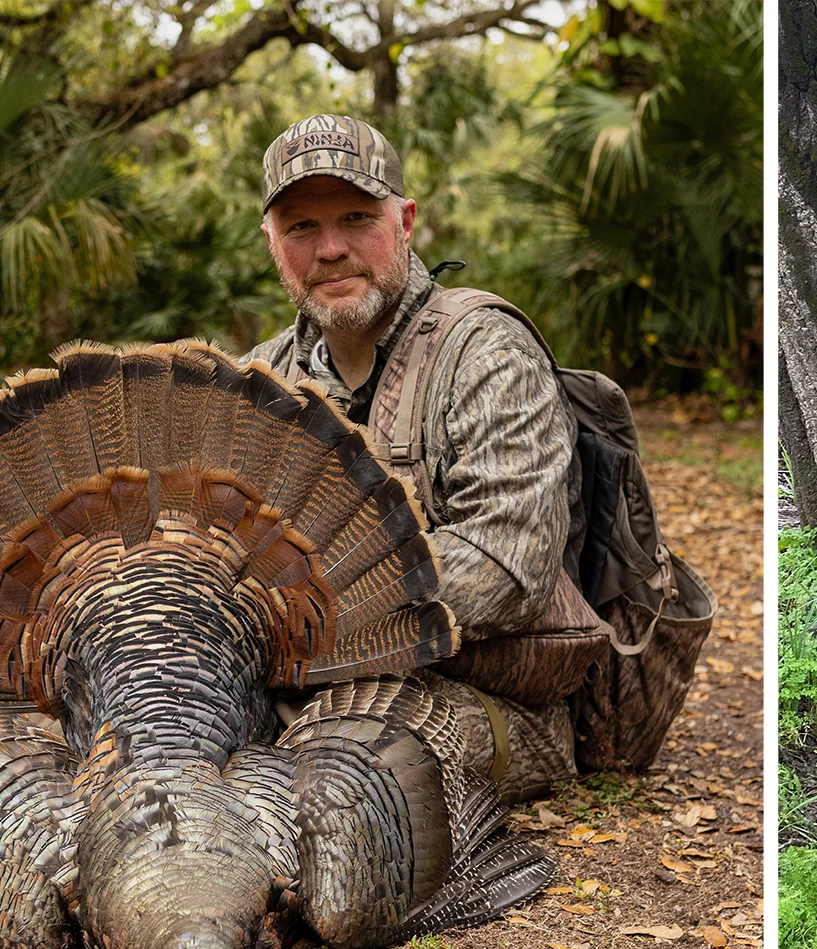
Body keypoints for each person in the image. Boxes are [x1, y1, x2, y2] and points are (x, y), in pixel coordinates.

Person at [243, 113, 581, 801]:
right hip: (292, 680)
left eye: (356, 216)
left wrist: (299, 613)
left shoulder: (485, 351)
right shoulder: (261, 377)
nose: (331, 248)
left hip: (481, 695)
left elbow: (508, 565)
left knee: (335, 771)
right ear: (273, 243)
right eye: (302, 227)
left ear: (405, 221)